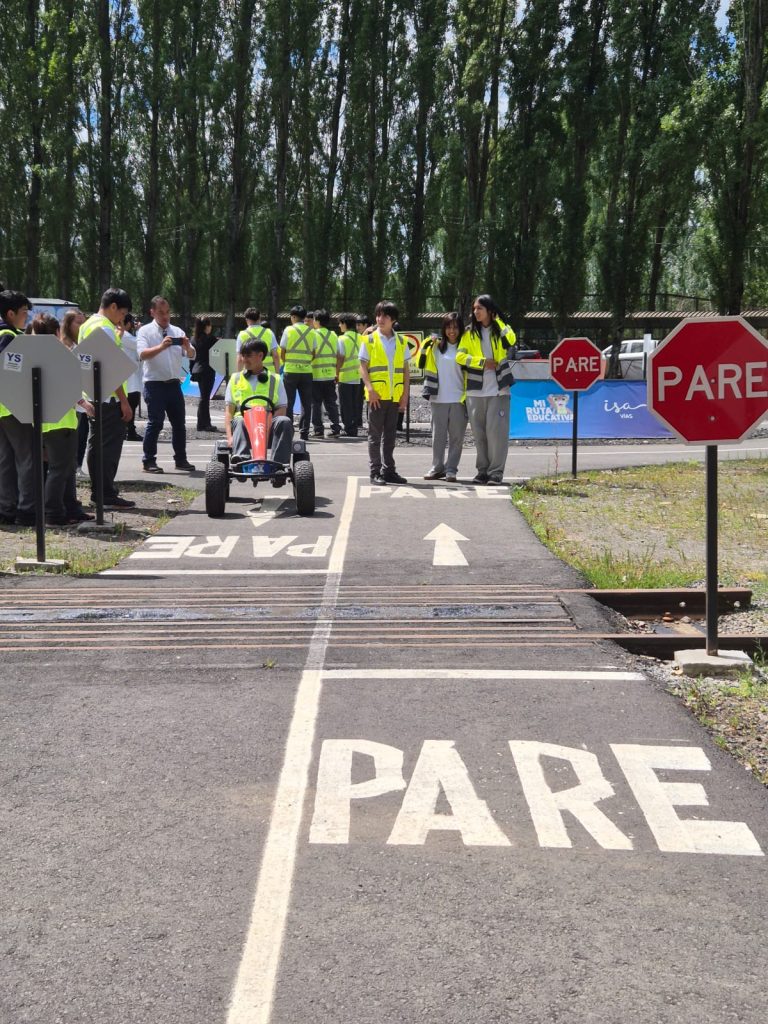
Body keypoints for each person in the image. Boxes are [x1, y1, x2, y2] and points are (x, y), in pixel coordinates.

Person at [30, 314, 94, 525]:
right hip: (62, 421)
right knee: (60, 469)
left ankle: (69, 508)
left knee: (63, 468)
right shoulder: (59, 355)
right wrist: (83, 403)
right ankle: (54, 513)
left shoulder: (34, 356)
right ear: (57, 332)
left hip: (43, 421)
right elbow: (67, 385)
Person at [79, 288, 136, 510]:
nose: (122, 319)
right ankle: (105, 494)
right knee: (109, 449)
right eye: (122, 313)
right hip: (110, 399)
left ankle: (99, 492)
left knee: (96, 445)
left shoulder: (88, 325)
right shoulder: (105, 328)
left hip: (93, 395)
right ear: (113, 306)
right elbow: (109, 368)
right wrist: (124, 400)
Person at [456, 293, 516, 485]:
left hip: (499, 390)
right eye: (474, 309)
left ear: (490, 310)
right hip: (474, 391)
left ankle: (496, 472)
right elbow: (459, 357)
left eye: (479, 308)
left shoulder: (502, 330)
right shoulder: (468, 333)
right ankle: (482, 471)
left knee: (496, 434)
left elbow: (511, 341)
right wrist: (481, 362)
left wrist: (498, 321)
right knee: (479, 434)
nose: (475, 312)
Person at [136, 295, 197, 474]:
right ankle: (148, 461)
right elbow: (142, 354)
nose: (165, 316)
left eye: (168, 312)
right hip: (154, 384)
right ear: (152, 312)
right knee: (155, 422)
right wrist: (161, 347)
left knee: (179, 424)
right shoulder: (145, 331)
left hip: (174, 384)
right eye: (161, 312)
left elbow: (192, 355)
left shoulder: (177, 331)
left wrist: (187, 347)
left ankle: (181, 459)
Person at [224, 338, 294, 472]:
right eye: (243, 356)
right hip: (243, 424)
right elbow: (229, 411)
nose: (244, 359)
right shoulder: (235, 378)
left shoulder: (275, 379)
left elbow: (281, 408)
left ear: (260, 355)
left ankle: (278, 466)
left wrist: (264, 427)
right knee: (239, 420)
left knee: (284, 421)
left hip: (267, 424)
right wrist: (230, 437)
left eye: (248, 356)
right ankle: (241, 461)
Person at [359, 300, 409, 485]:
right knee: (374, 436)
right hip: (377, 397)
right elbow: (362, 366)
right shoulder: (369, 339)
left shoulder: (401, 341)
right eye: (378, 315)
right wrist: (370, 389)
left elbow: (405, 370)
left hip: (394, 396)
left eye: (385, 316)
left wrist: (405, 395)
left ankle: (389, 470)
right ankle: (375, 472)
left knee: (390, 436)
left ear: (393, 319)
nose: (380, 319)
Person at [0, 290, 34, 525]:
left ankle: (6, 508)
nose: (27, 317)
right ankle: (27, 510)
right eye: (24, 312)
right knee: (26, 457)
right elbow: (12, 373)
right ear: (10, 314)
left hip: (3, 407)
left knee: (5, 460)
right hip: (13, 406)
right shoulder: (9, 337)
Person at [421, 312, 468, 482]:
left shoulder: (466, 347)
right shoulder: (435, 346)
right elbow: (420, 360)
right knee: (437, 438)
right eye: (448, 327)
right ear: (443, 329)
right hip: (438, 398)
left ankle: (451, 469)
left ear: (460, 329)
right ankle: (437, 467)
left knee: (456, 438)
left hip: (459, 399)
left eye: (455, 327)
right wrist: (428, 342)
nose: (452, 331)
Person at [279, 304, 316, 441]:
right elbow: (313, 353)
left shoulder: (288, 330)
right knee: (306, 403)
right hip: (306, 371)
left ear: (293, 317)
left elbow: (282, 351)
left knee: (288, 402)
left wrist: (287, 362)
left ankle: (288, 432)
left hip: (290, 371)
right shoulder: (311, 332)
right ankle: (304, 432)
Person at [61, 310, 89, 476]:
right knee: (70, 435)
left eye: (83, 323)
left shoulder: (83, 344)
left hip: (83, 396)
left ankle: (77, 465)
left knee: (82, 433)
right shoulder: (64, 346)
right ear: (67, 324)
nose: (82, 326)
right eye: (78, 323)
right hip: (69, 401)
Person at [311, 308, 341, 437]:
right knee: (331, 404)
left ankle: (318, 430)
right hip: (330, 375)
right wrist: (336, 372)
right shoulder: (333, 335)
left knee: (316, 404)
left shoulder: (312, 334)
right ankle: (336, 429)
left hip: (315, 375)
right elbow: (338, 355)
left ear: (317, 321)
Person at [191, 315, 219, 431]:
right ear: (206, 326)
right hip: (208, 370)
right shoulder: (211, 339)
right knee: (205, 398)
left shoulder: (193, 339)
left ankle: (201, 423)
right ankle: (205, 424)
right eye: (210, 325)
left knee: (203, 397)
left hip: (197, 369)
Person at [336, 313, 362, 436]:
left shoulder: (342, 339)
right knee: (355, 404)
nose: (339, 326)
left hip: (345, 376)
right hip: (358, 376)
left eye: (340, 323)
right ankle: (354, 427)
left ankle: (349, 428)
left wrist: (336, 373)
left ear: (345, 324)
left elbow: (340, 358)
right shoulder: (361, 338)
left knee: (345, 405)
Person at [120, 312, 143, 442]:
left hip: (130, 377)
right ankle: (130, 431)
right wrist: (140, 331)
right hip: (130, 379)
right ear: (128, 324)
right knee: (131, 405)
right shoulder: (125, 336)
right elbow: (140, 345)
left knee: (131, 405)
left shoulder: (123, 335)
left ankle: (127, 430)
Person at [237, 307, 280, 373]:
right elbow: (275, 356)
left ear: (246, 320)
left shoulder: (242, 334)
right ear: (259, 318)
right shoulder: (269, 333)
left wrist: (238, 375)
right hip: (268, 372)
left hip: (248, 372)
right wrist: (277, 373)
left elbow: (240, 359)